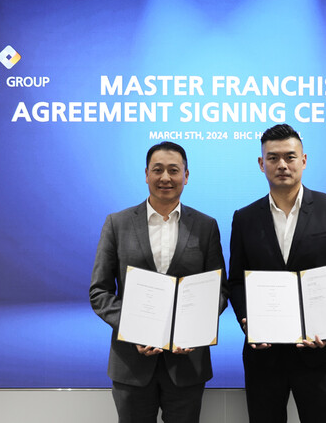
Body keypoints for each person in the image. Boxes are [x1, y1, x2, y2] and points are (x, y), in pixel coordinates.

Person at [228, 124, 326, 423]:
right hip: (264, 354)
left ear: (303, 161)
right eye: (273, 157)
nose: (282, 164)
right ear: (261, 163)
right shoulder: (244, 218)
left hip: (322, 351)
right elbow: (237, 280)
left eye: (290, 157)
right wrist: (246, 321)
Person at [90, 141, 228, 423]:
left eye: (173, 170)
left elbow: (219, 290)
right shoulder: (117, 223)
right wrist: (133, 327)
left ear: (186, 176)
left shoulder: (206, 226)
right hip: (131, 364)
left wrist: (194, 329)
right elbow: (100, 291)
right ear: (146, 174)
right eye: (158, 170)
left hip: (187, 364)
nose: (165, 177)